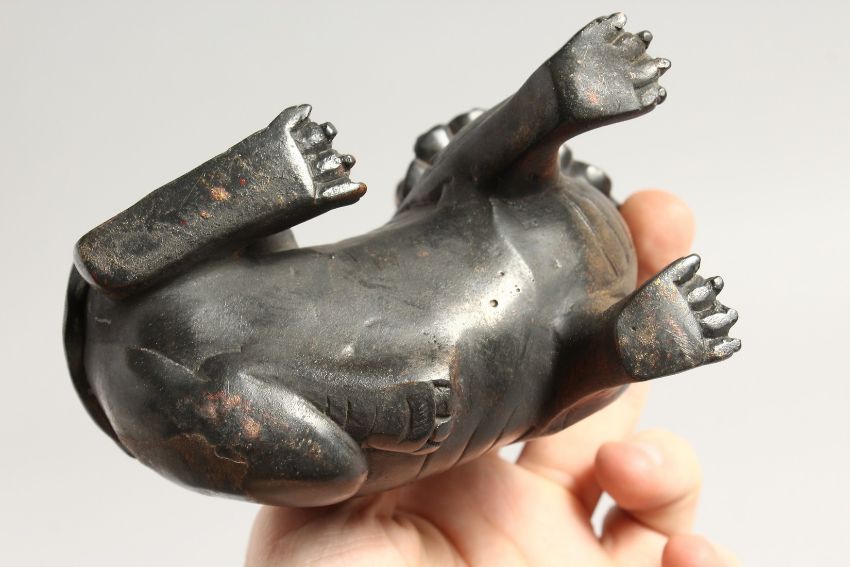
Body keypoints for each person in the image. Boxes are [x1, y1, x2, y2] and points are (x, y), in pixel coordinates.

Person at [245, 190, 740, 567]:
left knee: (558, 379)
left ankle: (621, 341)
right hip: (536, 327)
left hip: (512, 271)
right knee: (560, 379)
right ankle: (622, 341)